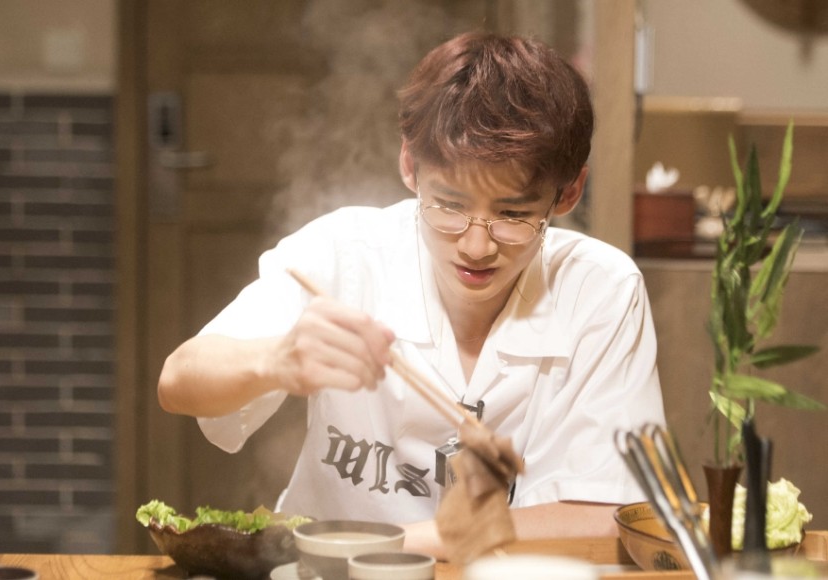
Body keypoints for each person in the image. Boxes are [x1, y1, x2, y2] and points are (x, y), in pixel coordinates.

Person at [157, 31, 665, 558]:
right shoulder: (347, 251)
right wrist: (275, 361)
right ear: (409, 165)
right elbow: (179, 380)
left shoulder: (600, 290)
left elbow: (608, 517)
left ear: (569, 192)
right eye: (449, 205)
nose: (476, 246)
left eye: (512, 214)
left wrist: (390, 546)